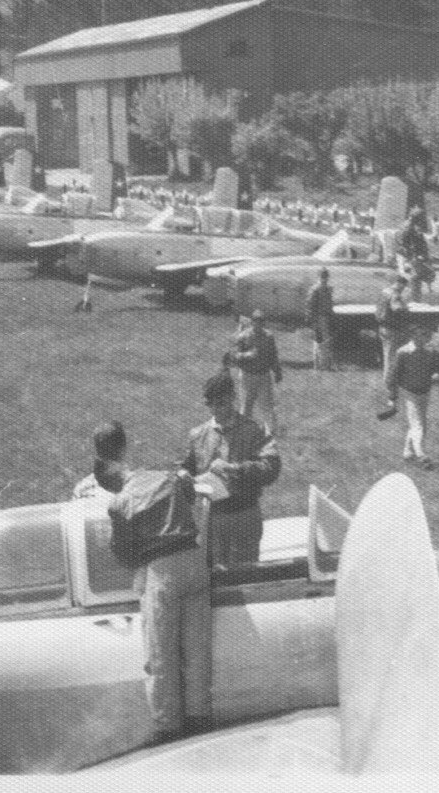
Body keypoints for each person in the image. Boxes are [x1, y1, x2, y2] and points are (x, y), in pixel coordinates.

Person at [96, 422, 216, 745]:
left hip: (164, 572)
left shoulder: (120, 502)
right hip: (195, 561)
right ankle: (201, 719)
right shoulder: (165, 477)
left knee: (161, 654)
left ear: (112, 483)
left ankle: (168, 727)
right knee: (196, 650)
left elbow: (123, 554)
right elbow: (190, 494)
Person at [176, 372, 281, 571]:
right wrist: (182, 474)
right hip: (210, 518)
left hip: (244, 515)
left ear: (233, 397)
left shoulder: (255, 430)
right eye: (210, 404)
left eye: (221, 403)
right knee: (211, 576)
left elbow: (272, 467)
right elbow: (184, 466)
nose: (215, 410)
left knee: (244, 576)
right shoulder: (198, 435)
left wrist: (235, 469)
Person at [388, 324, 439, 468]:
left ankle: (408, 452)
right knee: (418, 424)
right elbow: (393, 375)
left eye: (424, 335)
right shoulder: (403, 352)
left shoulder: (430, 351)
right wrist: (392, 397)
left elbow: (436, 368)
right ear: (411, 336)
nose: (421, 338)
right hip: (409, 392)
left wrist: (436, 374)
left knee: (418, 423)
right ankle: (421, 454)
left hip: (425, 391)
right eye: (417, 335)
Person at [223, 311, 281, 432]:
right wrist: (247, 355)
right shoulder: (243, 336)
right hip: (247, 376)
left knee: (267, 405)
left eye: (261, 322)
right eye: (256, 322)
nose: (259, 324)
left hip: (264, 375)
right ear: (252, 322)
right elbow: (232, 356)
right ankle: (243, 431)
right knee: (246, 406)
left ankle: (271, 431)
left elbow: (273, 355)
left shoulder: (269, 337)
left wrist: (277, 371)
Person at [375, 275, 412, 416]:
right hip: (393, 330)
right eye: (403, 286)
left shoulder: (384, 291)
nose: (403, 289)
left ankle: (390, 387)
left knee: (388, 358)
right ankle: (391, 391)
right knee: (392, 361)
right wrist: (405, 308)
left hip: (383, 328)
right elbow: (397, 308)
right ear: (400, 284)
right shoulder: (395, 295)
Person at [396, 207, 433, 300]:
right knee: (411, 276)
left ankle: (414, 298)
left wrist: (423, 256)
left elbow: (422, 245)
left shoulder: (415, 229)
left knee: (413, 276)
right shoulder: (408, 228)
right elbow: (404, 245)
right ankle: (411, 298)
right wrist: (411, 258)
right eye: (421, 218)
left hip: (412, 256)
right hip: (407, 256)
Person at [306, 268, 335, 371]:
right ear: (319, 277)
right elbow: (310, 305)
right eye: (323, 276)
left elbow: (330, 304)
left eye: (326, 276)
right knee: (319, 342)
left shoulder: (328, 289)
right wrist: (312, 320)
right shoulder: (315, 289)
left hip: (326, 317)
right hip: (319, 318)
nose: (324, 278)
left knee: (325, 341)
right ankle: (320, 366)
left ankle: (324, 365)